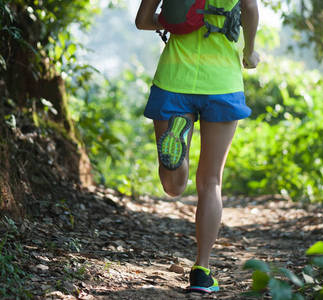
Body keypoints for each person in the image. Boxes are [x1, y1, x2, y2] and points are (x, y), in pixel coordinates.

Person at [135, 0, 259, 293]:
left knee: (173, 187)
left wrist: (177, 20)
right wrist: (249, 50)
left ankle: (177, 159)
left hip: (174, 79)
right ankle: (202, 271)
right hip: (222, 83)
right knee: (211, 182)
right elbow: (250, 7)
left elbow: (142, 20)